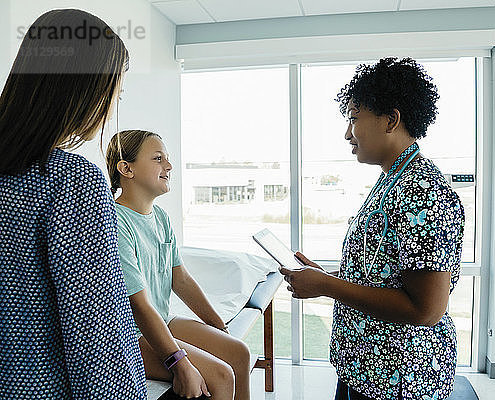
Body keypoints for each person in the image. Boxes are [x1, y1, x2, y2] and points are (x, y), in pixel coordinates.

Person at [280, 57, 465, 400]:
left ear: (391, 120)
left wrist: (327, 286)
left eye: (354, 119)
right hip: (366, 371)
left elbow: (426, 309)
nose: (348, 133)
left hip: (399, 379)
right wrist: (329, 276)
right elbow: (383, 273)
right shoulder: (392, 181)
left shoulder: (420, 190)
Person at [0, 9, 146, 399]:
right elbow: (97, 334)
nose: (111, 107)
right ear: (86, 90)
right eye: (114, 92)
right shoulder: (70, 181)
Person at [105, 129, 252, 400]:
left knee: (239, 353)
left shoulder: (160, 217)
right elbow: (139, 306)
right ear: (126, 168)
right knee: (222, 375)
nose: (169, 166)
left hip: (162, 319)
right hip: (132, 335)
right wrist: (179, 363)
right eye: (158, 158)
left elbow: (180, 278)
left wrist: (217, 325)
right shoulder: (115, 222)